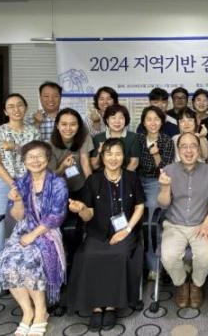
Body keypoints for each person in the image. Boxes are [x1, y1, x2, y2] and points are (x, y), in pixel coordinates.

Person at [0, 141, 68, 336]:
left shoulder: (57, 183)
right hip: (22, 231)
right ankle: (27, 311)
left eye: (40, 156)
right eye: (30, 157)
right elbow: (17, 216)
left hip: (46, 232)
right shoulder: (20, 183)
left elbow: (56, 217)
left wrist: (33, 235)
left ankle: (41, 312)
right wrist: (18, 201)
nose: (35, 160)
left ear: (47, 159)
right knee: (2, 262)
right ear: (24, 160)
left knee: (27, 261)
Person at [67, 139, 145, 331]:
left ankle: (111, 305)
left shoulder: (132, 178)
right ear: (102, 157)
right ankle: (96, 306)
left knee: (119, 254)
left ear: (124, 157)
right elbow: (89, 215)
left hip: (125, 230)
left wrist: (127, 230)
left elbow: (139, 206)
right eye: (109, 154)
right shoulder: (93, 180)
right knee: (89, 255)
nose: (113, 158)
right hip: (98, 232)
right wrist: (81, 209)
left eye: (118, 154)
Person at [158, 132, 208, 309]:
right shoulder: (168, 170)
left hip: (202, 224)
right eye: (184, 146)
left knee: (205, 256)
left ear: (199, 149)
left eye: (193, 146)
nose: (188, 150)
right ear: (178, 150)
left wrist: (207, 223)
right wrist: (165, 187)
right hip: (174, 225)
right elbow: (163, 204)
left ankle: (196, 284)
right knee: (168, 257)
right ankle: (181, 284)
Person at [0, 93, 40, 252]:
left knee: (27, 221)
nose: (16, 109)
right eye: (11, 106)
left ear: (26, 108)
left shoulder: (33, 132)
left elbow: (37, 157)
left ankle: (23, 258)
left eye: (20, 105)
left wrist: (15, 147)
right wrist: (13, 184)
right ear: (5, 111)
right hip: (3, 183)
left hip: (29, 181)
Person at [134, 106, 175, 276]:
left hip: (156, 183)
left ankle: (154, 267)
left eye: (156, 119)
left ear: (162, 122)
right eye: (149, 119)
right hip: (136, 181)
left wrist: (156, 154)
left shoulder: (166, 140)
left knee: (150, 220)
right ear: (143, 122)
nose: (153, 123)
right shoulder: (137, 139)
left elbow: (165, 170)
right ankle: (136, 263)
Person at [48, 108, 93, 195]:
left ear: (78, 126)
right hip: (59, 188)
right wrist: (63, 166)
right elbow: (52, 176)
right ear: (57, 125)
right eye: (64, 124)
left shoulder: (85, 137)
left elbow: (85, 163)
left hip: (82, 185)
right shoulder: (50, 145)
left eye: (73, 124)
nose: (68, 128)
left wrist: (92, 188)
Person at [91, 104, 139, 170]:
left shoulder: (133, 137)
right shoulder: (98, 138)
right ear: (107, 120)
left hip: (126, 174)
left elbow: (134, 163)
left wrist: (122, 176)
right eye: (113, 118)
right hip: (102, 175)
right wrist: (99, 153)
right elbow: (94, 165)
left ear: (125, 120)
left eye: (121, 118)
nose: (117, 121)